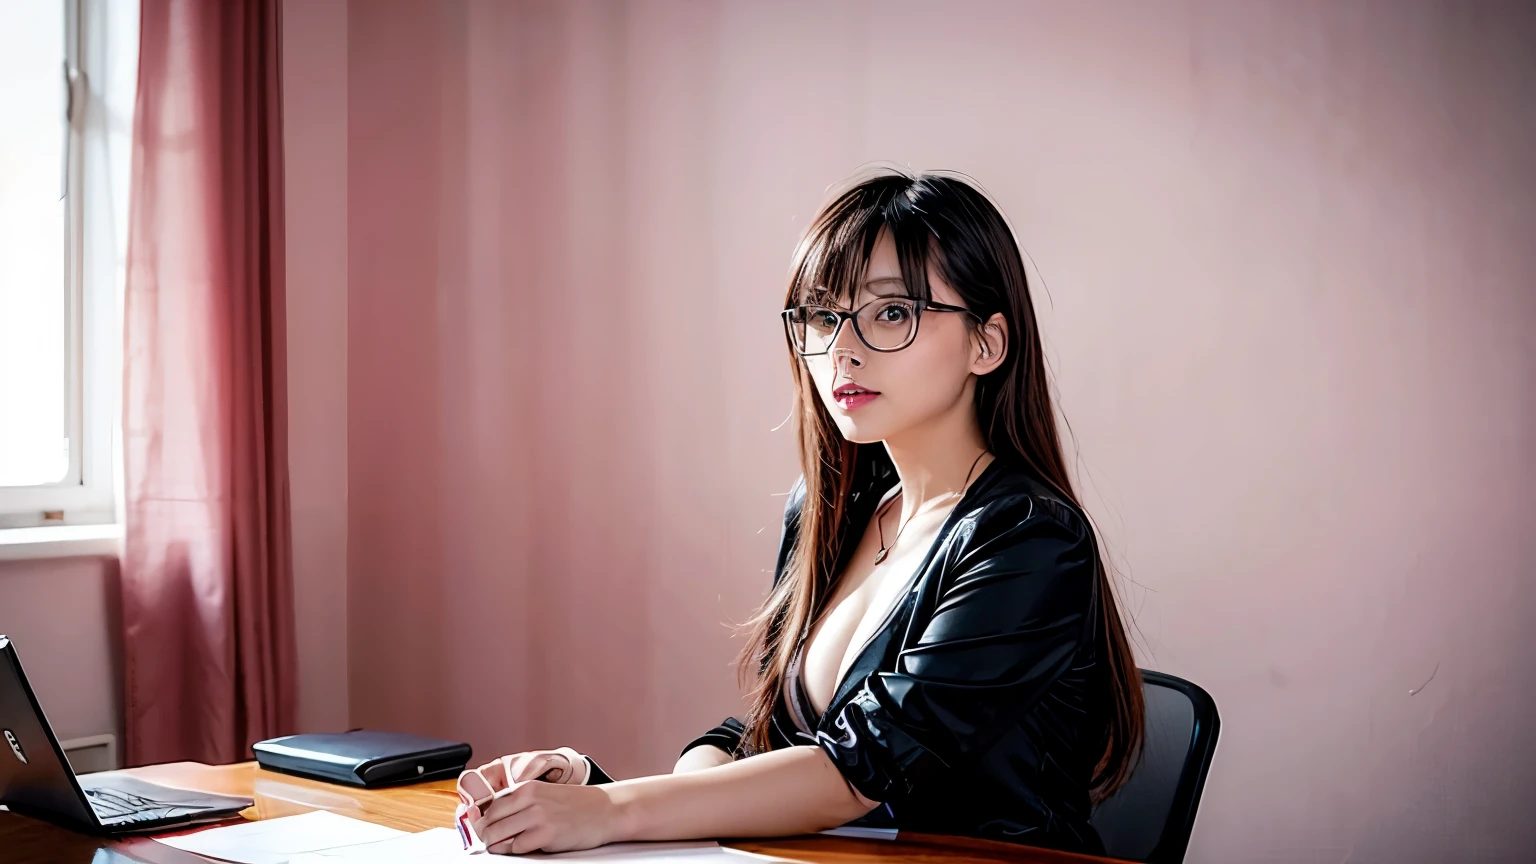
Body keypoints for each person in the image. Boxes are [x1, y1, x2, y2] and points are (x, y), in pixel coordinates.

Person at [457, 169, 1144, 856]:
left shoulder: (1028, 538)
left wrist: (616, 811)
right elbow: (763, 739)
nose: (842, 349)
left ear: (986, 343)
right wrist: (586, 791)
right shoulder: (835, 510)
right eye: (822, 316)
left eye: (892, 312)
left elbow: (855, 770)